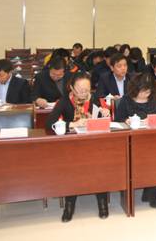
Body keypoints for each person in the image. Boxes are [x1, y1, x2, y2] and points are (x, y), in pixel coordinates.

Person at [45, 72, 109, 221]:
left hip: (94, 144)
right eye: (80, 90)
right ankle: (70, 204)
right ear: (72, 88)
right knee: (72, 168)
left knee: (100, 165)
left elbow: (106, 121)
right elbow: (49, 124)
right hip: (72, 146)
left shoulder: (95, 99)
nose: (84, 94)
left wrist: (105, 113)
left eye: (87, 90)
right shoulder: (64, 101)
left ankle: (102, 201)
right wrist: (72, 124)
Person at [114, 72, 156, 208]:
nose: (145, 95)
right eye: (142, 91)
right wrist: (126, 120)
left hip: (152, 139)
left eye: (148, 91)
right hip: (131, 141)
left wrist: (152, 121)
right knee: (138, 157)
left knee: (155, 156)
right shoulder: (126, 100)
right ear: (135, 89)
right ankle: (139, 190)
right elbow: (117, 120)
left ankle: (151, 191)